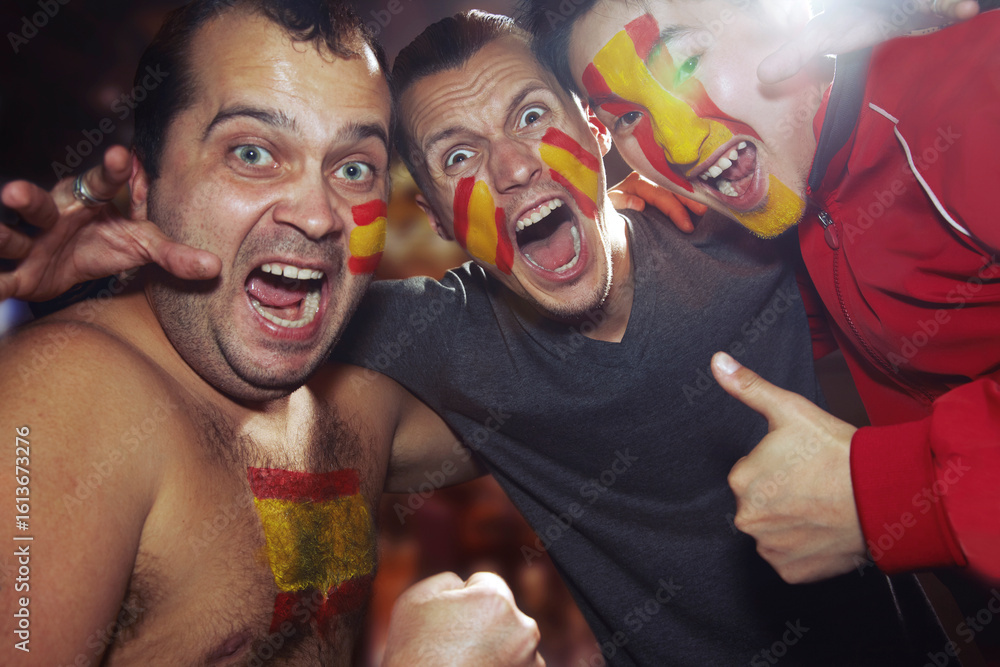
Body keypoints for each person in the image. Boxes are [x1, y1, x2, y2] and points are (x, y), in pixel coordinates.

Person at [0, 7, 960, 666]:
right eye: (459, 156)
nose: (511, 169)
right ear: (445, 223)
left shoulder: (741, 233)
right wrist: (104, 250)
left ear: (596, 134)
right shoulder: (441, 337)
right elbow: (218, 318)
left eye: (533, 119)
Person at [0, 2, 545, 665]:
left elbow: (564, 385)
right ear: (143, 183)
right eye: (253, 152)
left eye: (353, 168)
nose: (318, 215)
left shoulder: (360, 405)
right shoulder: (61, 396)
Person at [522, 0, 1000, 588]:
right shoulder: (803, 189)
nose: (674, 140)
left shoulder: (976, 92)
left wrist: (889, 496)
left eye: (688, 59)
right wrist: (627, 247)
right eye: (625, 117)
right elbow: (761, 325)